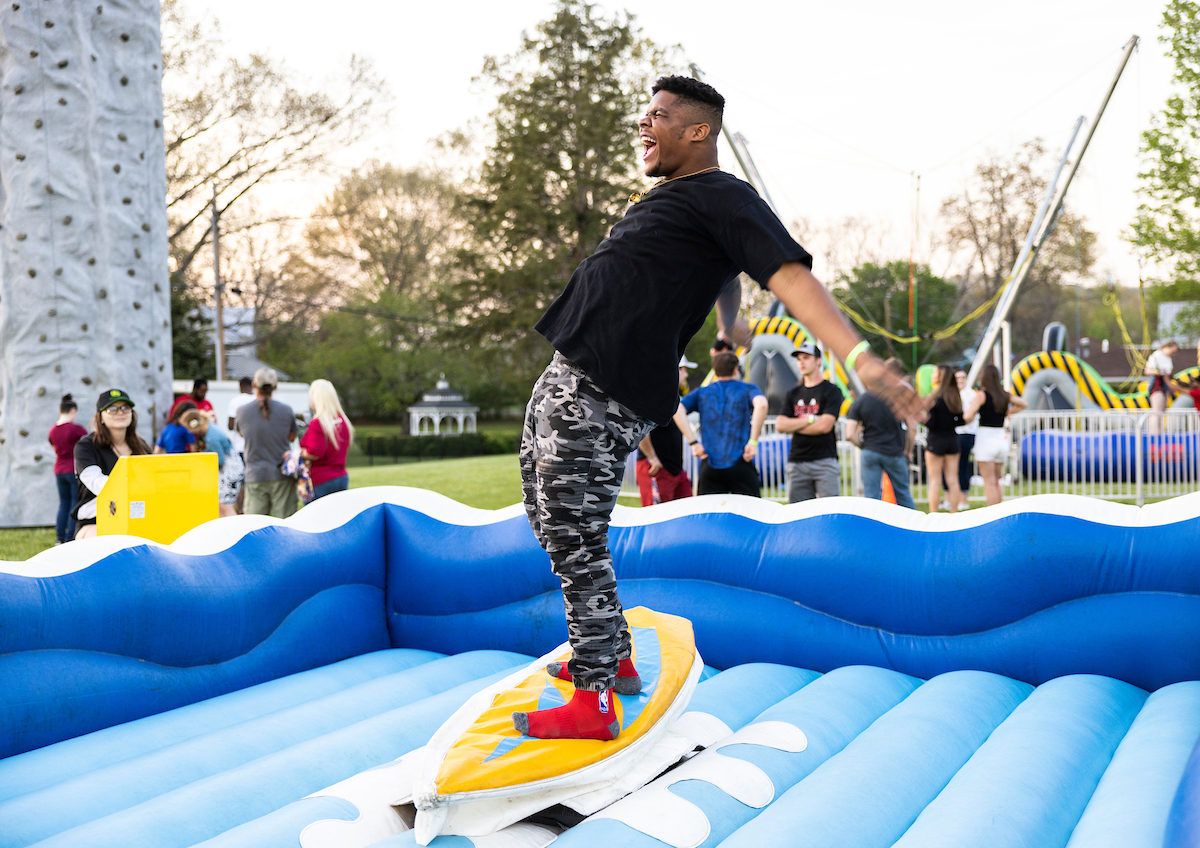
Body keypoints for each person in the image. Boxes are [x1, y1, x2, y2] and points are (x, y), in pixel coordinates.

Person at [511, 75, 920, 742]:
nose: (644, 124)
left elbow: (788, 273)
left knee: (572, 529)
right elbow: (730, 270)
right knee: (546, 512)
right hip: (570, 373)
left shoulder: (723, 194)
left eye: (659, 116)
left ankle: (595, 697)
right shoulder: (680, 200)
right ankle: (612, 654)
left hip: (604, 388)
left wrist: (860, 358)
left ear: (698, 130)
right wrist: (730, 326)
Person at [674, 351, 767, 496]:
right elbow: (761, 404)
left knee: (710, 509)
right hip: (741, 460)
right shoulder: (748, 389)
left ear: (715, 371)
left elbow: (677, 409)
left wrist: (693, 443)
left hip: (710, 463)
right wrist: (753, 441)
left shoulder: (702, 392)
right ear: (736, 369)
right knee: (750, 509)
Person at [72, 389, 151, 540]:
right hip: (95, 521)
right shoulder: (86, 447)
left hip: (137, 518)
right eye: (112, 409)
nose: (120, 413)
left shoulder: (141, 446)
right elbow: (96, 482)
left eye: (125, 408)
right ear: (100, 416)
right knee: (110, 542)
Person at [775, 340, 844, 502]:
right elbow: (780, 425)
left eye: (806, 358)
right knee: (798, 512)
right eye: (799, 359)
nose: (801, 362)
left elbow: (824, 426)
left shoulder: (832, 390)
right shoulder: (792, 393)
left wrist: (794, 425)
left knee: (829, 510)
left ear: (818, 361)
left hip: (825, 461)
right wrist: (811, 419)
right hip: (797, 462)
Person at [845, 362, 916, 509]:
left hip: (870, 451)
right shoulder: (897, 399)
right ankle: (914, 522)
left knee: (871, 498)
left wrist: (864, 446)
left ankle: (873, 524)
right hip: (895, 452)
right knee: (903, 494)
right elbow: (912, 428)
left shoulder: (860, 401)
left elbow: (850, 434)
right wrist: (908, 451)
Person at [236, 367, 299, 518]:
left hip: (255, 475)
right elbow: (291, 437)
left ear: (254, 385)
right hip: (282, 475)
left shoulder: (242, 411)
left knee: (255, 524)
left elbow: (242, 434)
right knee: (285, 523)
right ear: (275, 386)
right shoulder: (286, 410)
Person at [963, 363, 1026, 506]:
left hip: (985, 438)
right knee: (997, 481)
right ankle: (999, 511)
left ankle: (992, 513)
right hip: (1001, 439)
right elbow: (1023, 403)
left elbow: (967, 415)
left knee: (989, 482)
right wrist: (1010, 411)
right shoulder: (1004, 395)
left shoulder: (981, 395)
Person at [635, 357, 695, 506]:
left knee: (686, 511)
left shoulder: (671, 397)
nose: (686, 375)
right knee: (655, 516)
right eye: (684, 370)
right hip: (656, 467)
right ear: (675, 370)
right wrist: (652, 457)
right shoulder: (653, 396)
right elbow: (639, 429)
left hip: (674, 469)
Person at [182, 409, 244, 518]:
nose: (189, 432)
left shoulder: (212, 437)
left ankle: (232, 525)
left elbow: (220, 460)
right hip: (232, 467)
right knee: (221, 504)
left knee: (225, 505)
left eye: (189, 428)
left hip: (230, 470)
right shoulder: (211, 428)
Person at [300, 379, 354, 500]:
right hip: (341, 476)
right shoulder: (342, 420)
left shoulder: (317, 423)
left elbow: (315, 452)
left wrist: (299, 454)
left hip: (321, 479)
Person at [924, 365, 964, 514]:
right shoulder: (954, 396)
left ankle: (934, 513)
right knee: (953, 479)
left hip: (936, 441)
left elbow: (931, 423)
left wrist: (921, 418)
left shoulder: (934, 397)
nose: (932, 375)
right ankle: (954, 512)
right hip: (952, 440)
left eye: (934, 372)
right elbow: (960, 420)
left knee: (935, 480)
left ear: (940, 376)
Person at [48, 394, 87, 544]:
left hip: (59, 470)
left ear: (60, 411)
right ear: (73, 411)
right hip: (73, 469)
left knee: (63, 503)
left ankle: (60, 537)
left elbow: (54, 448)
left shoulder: (52, 431)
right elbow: (88, 445)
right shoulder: (76, 429)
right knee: (74, 503)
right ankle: (71, 537)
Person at [953, 368, 977, 510]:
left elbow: (970, 416)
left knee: (962, 465)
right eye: (958, 378)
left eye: (963, 377)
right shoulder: (952, 394)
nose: (960, 380)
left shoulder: (971, 395)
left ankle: (963, 500)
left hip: (966, 433)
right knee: (952, 467)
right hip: (954, 433)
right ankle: (951, 498)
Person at [1146, 340, 1181, 434]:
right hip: (1157, 386)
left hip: (1165, 387)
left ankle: (1159, 433)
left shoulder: (1168, 358)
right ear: (1167, 347)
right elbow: (1148, 371)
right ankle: (1154, 434)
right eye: (1172, 351)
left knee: (1162, 412)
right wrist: (1160, 373)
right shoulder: (1157, 355)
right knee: (1157, 411)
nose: (1173, 354)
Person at [226, 377, 255, 457]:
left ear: (240, 387)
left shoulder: (235, 401)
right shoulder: (258, 401)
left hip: (239, 446)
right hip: (255, 446)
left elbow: (230, 426)